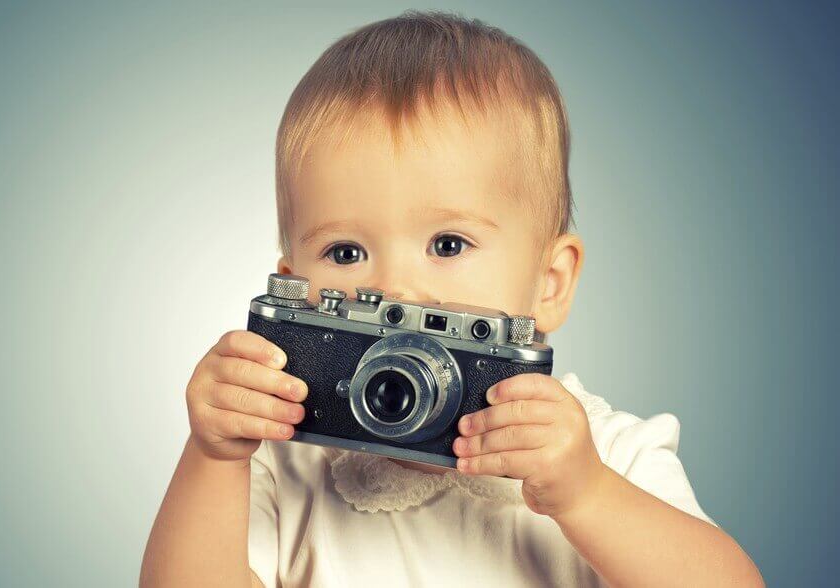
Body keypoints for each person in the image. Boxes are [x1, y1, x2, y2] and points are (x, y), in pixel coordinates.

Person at [141, 11, 763, 587]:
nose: (395, 291)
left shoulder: (602, 453)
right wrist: (213, 457)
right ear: (295, 290)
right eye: (345, 253)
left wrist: (587, 494)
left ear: (549, 283)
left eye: (447, 243)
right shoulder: (285, 461)